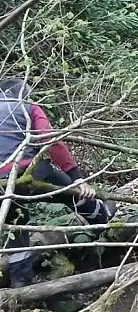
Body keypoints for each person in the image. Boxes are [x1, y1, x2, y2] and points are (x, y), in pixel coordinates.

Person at [0, 78, 116, 288]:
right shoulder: (28, 107)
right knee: (68, 189)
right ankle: (101, 215)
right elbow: (51, 141)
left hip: (2, 183)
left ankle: (21, 282)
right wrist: (76, 177)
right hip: (29, 172)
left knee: (16, 224)